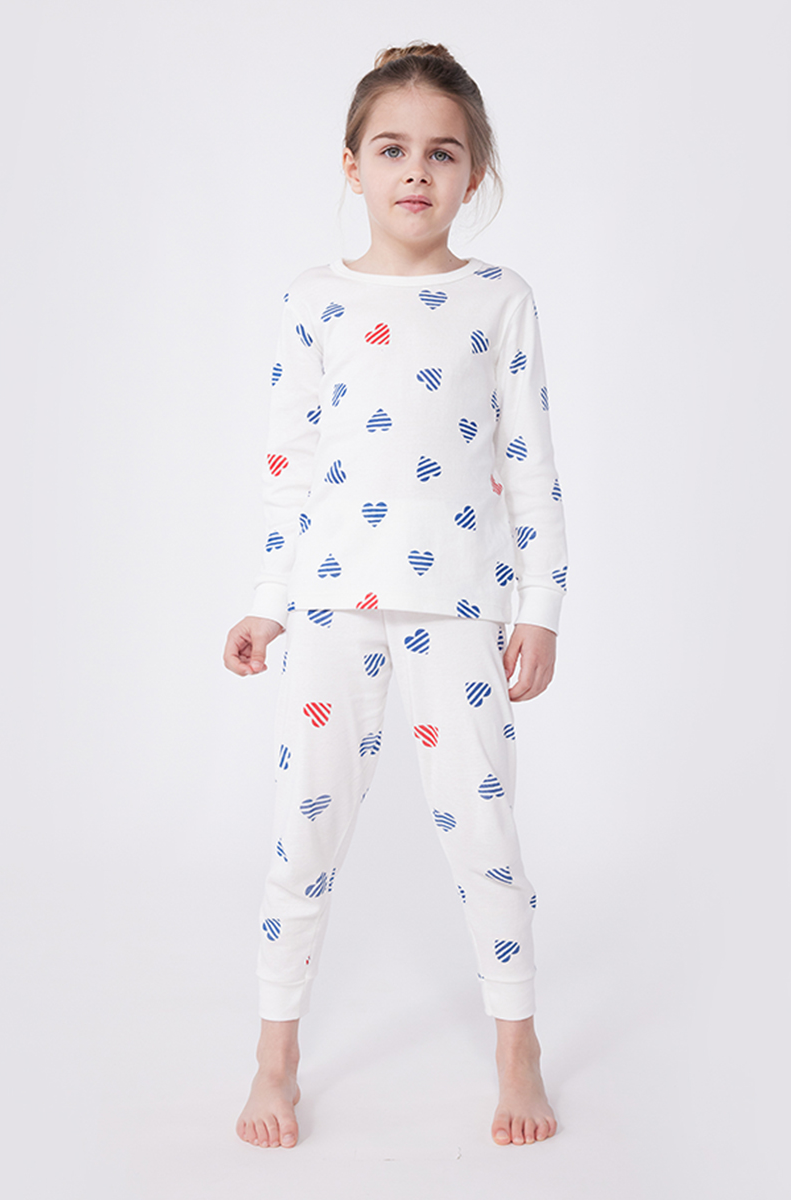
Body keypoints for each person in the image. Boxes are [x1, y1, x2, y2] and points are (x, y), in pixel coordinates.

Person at [223, 40, 568, 1150]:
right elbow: (290, 464)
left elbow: (532, 466)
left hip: (461, 613)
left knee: (484, 833)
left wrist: (540, 607)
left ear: (474, 174)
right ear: (351, 165)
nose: (415, 170)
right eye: (391, 149)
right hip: (332, 610)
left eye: (442, 152)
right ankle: (275, 1055)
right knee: (302, 836)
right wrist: (269, 599)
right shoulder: (314, 300)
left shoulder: (498, 300)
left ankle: (516, 1048)